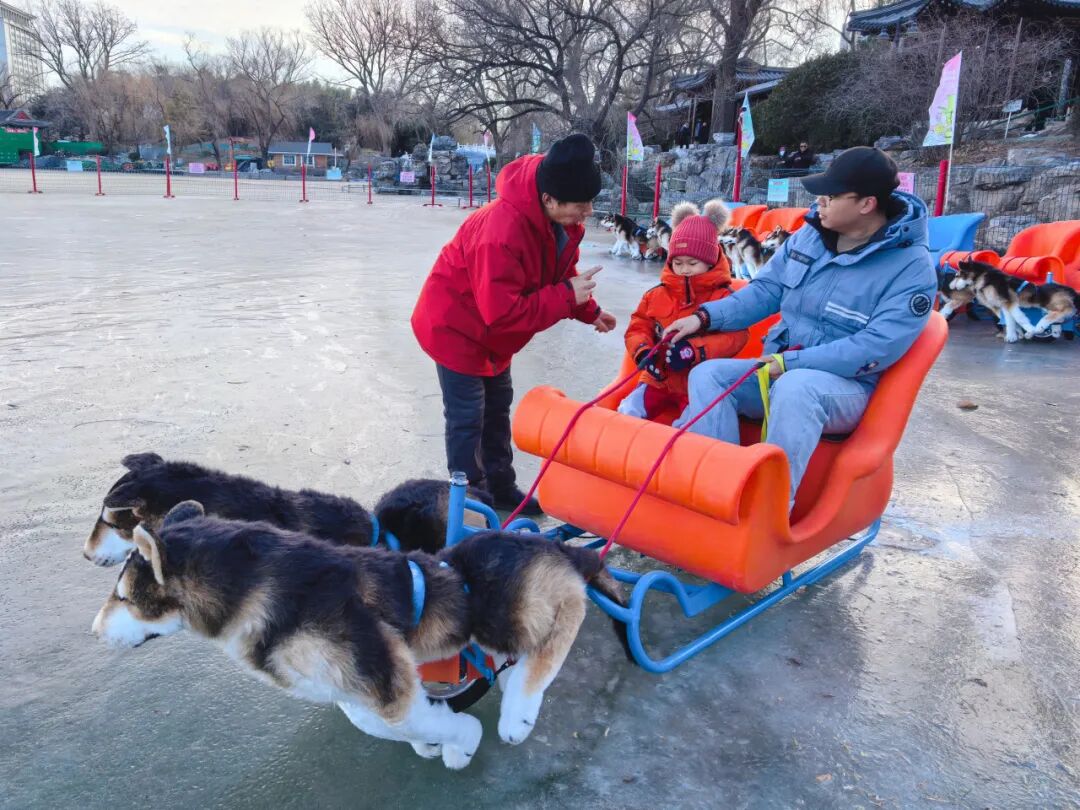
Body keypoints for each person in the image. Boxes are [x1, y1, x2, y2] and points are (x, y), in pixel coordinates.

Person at [663, 146, 937, 507]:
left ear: (867, 204)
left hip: (845, 388)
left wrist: (791, 364)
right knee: (709, 376)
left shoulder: (911, 268)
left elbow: (874, 347)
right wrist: (704, 318)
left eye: (831, 195)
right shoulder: (811, 235)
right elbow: (766, 291)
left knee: (797, 387)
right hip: (779, 367)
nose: (819, 202)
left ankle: (767, 511)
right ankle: (716, 491)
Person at [411, 134, 616, 514]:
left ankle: (502, 489)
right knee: (467, 417)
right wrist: (569, 297)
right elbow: (503, 313)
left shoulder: (562, 222)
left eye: (590, 202)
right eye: (580, 204)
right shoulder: (501, 232)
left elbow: (559, 274)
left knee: (498, 407)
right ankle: (468, 502)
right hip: (455, 327)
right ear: (549, 200)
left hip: (493, 336)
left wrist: (589, 310)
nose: (587, 212)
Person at [618, 199, 748, 421]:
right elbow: (638, 327)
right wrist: (642, 350)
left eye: (692, 263)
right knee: (629, 409)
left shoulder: (725, 299)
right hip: (658, 379)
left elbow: (736, 337)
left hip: (697, 386)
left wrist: (693, 350)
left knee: (691, 425)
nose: (684, 270)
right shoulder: (656, 294)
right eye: (678, 263)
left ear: (709, 262)